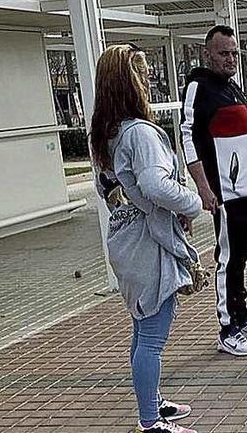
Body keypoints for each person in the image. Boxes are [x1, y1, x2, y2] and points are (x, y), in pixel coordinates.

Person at [90, 44, 201, 433]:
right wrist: (193, 203)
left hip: (124, 239)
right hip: (147, 242)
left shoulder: (105, 135)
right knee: (153, 334)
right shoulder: (140, 133)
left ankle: (151, 402)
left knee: (142, 327)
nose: (149, 80)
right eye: (142, 74)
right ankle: (150, 422)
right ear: (129, 83)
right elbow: (156, 185)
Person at [180, 25, 247, 357]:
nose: (231, 58)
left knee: (241, 256)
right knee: (227, 258)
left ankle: (242, 316)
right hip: (225, 192)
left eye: (235, 52)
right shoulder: (199, 86)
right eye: (224, 53)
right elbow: (187, 136)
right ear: (209, 54)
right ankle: (227, 328)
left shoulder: (232, 86)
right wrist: (203, 187)